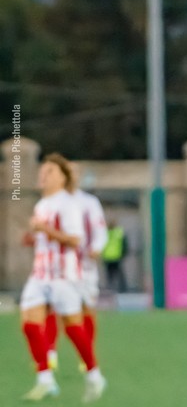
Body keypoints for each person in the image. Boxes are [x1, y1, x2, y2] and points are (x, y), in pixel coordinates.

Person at [19, 153, 106, 402]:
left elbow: (75, 239)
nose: (43, 176)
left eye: (50, 172)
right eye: (42, 171)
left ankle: (94, 374)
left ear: (62, 178)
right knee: (29, 322)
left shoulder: (70, 205)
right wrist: (33, 238)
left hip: (65, 275)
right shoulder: (42, 205)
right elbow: (45, 237)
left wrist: (44, 229)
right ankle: (45, 379)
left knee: (73, 327)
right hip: (41, 273)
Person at [45, 162, 109, 372]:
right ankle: (49, 352)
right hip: (56, 266)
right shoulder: (50, 202)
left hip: (84, 266)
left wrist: (96, 248)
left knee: (86, 308)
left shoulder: (89, 202)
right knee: (52, 306)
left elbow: (100, 230)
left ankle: (86, 356)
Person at [103, 220, 128, 293]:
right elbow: (124, 244)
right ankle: (118, 288)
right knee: (114, 274)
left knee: (113, 274)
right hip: (113, 256)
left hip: (111, 256)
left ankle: (117, 288)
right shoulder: (118, 232)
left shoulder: (107, 232)